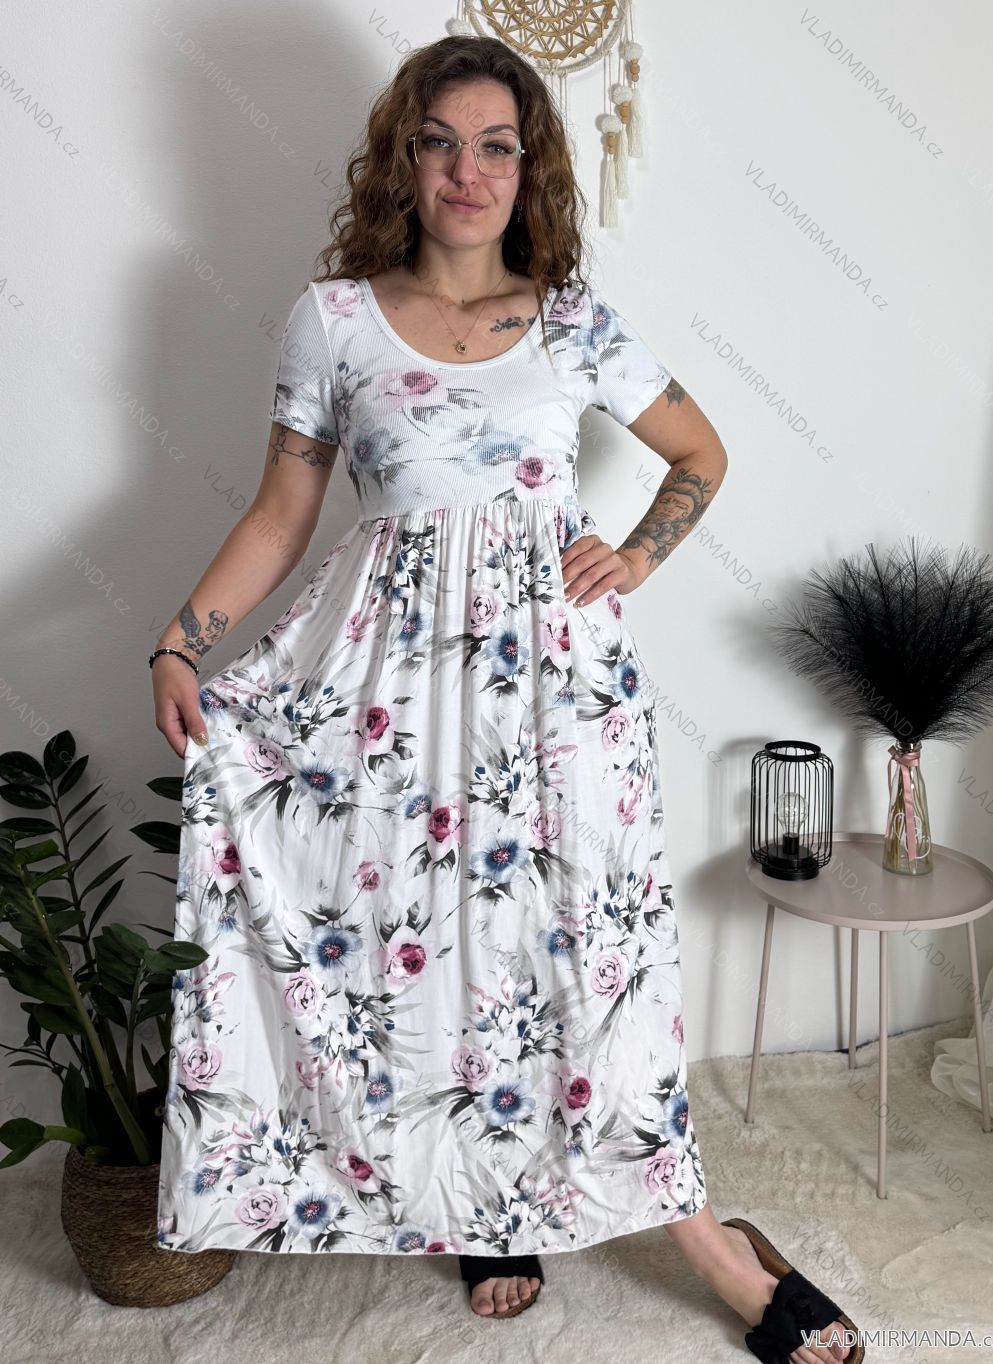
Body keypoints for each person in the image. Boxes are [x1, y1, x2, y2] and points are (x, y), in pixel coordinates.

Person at [150, 33, 862, 1364]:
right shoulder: (332, 319)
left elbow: (700, 454)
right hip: (382, 689)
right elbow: (284, 513)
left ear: (528, 168)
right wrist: (181, 644)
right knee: (418, 947)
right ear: (402, 159)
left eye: (495, 146)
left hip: (555, 687)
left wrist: (634, 556)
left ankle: (710, 1243)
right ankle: (485, 1204)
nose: (466, 172)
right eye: (439, 143)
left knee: (587, 954)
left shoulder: (574, 320)